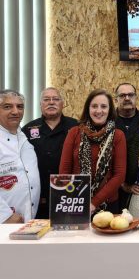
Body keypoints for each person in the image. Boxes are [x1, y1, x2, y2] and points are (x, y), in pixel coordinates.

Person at [59, 89, 126, 214]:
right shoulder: (74, 132)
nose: (99, 111)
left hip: (108, 205)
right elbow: (64, 171)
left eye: (104, 106)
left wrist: (94, 203)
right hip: (76, 202)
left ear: (110, 110)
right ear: (88, 109)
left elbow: (119, 175)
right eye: (94, 106)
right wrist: (77, 200)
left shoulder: (118, 135)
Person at [22, 87, 77, 218]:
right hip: (39, 198)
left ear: (62, 104)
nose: (51, 102)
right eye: (46, 99)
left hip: (70, 195)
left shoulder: (76, 126)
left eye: (56, 99)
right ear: (40, 104)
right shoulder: (28, 129)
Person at [0, 89, 40, 223]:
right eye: (7, 107)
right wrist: (5, 216)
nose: (15, 111)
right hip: (6, 222)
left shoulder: (25, 138)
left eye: (20, 107)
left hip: (27, 222)